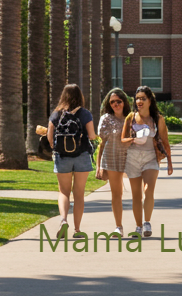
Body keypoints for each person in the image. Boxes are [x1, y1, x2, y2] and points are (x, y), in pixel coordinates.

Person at [122, 85, 173, 238]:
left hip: (151, 157)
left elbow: (165, 140)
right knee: (136, 195)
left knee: (148, 190)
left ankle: (147, 222)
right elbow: (122, 140)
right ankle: (138, 226)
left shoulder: (158, 118)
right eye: (137, 98)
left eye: (143, 98)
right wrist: (133, 139)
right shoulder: (130, 117)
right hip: (132, 158)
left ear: (150, 100)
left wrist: (170, 162)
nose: (139, 101)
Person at [48, 83, 98, 240]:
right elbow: (91, 136)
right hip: (82, 155)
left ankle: (63, 220)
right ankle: (77, 230)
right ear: (80, 96)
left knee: (64, 191)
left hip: (62, 156)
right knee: (79, 194)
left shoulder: (56, 114)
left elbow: (50, 138)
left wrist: (57, 147)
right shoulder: (85, 114)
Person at [95, 88, 132, 236]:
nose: (116, 104)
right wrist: (98, 166)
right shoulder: (106, 119)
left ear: (124, 102)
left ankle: (140, 225)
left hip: (131, 159)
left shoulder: (132, 118)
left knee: (139, 193)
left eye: (118, 101)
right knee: (117, 194)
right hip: (112, 159)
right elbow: (101, 144)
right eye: (112, 102)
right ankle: (119, 227)